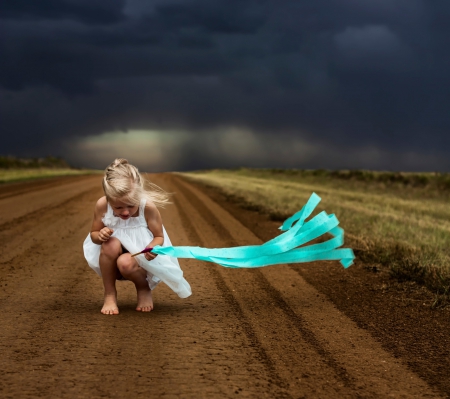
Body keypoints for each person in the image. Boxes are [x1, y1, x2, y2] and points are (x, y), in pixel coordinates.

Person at [83, 158, 191, 315]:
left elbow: (159, 237)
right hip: (111, 257)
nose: (125, 212)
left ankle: (143, 288)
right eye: (118, 207)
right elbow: (93, 235)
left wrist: (153, 247)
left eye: (131, 205)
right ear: (108, 197)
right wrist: (100, 235)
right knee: (109, 244)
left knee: (125, 262)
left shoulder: (147, 207)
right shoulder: (102, 205)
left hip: (139, 260)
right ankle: (110, 294)